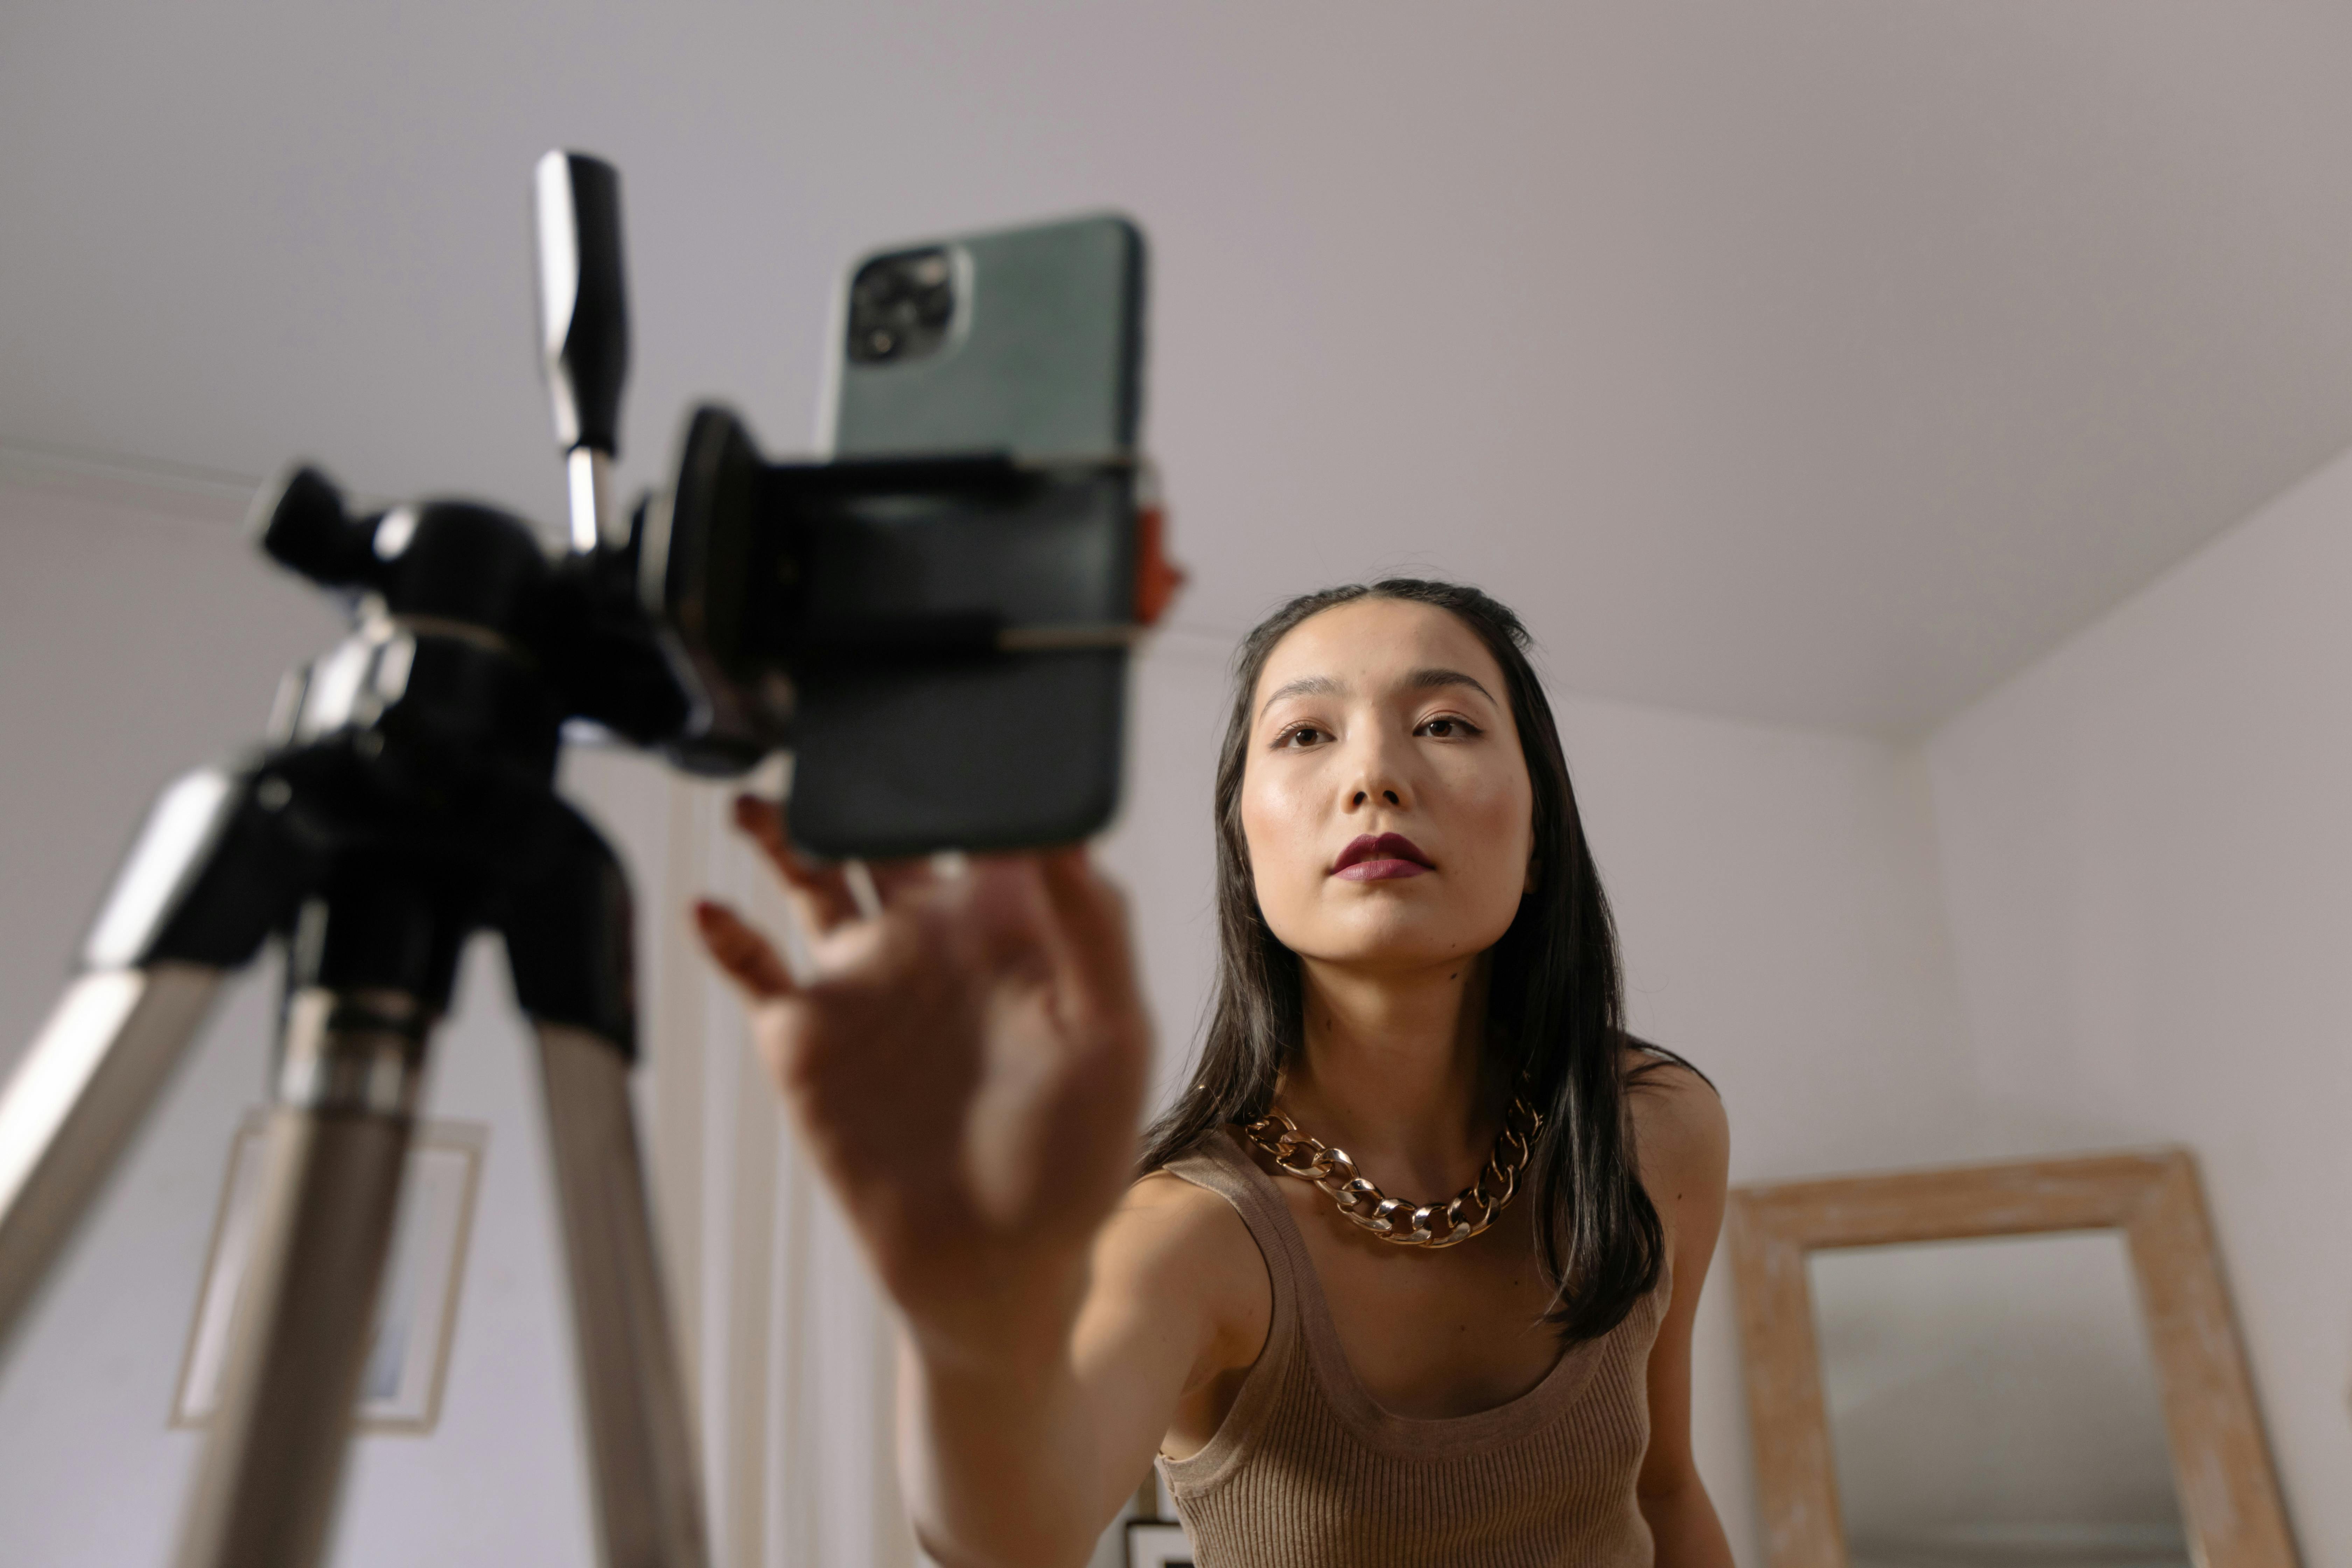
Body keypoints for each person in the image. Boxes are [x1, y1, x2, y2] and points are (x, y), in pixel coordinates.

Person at [693, 579, 1735, 1568]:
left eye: (1445, 724)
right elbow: (1007, 1538)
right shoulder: (1192, 1238)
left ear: (1540, 828)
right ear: (1245, 847)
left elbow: (1666, 1490)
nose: (1374, 775)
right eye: (1305, 734)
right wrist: (964, 1307)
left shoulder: (1659, 1132)